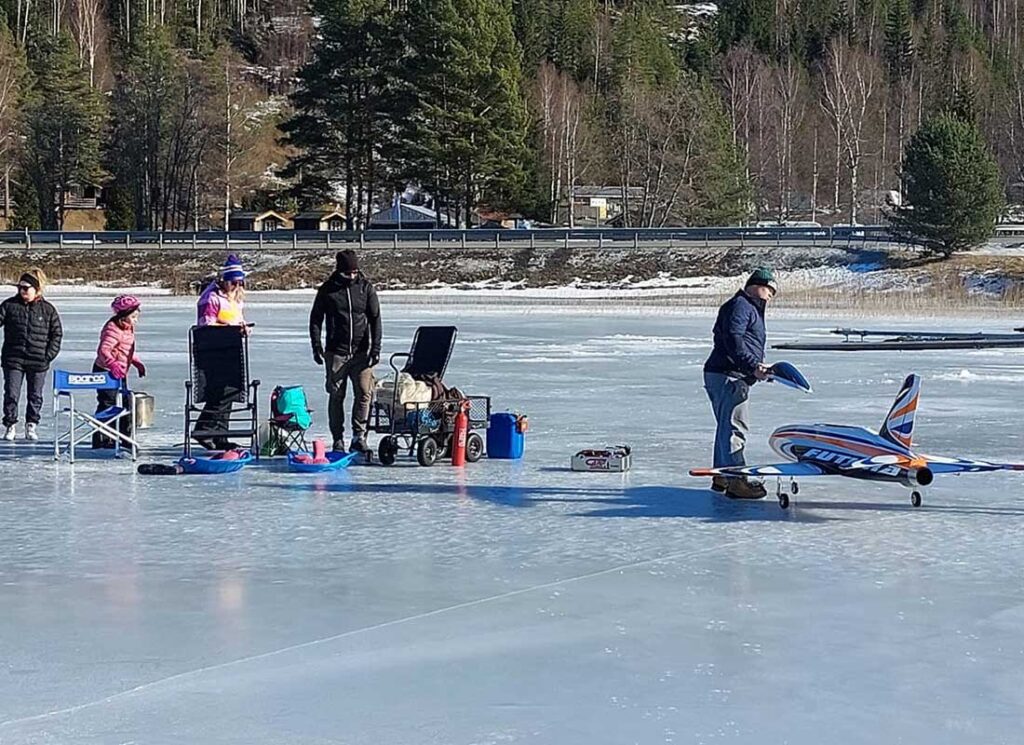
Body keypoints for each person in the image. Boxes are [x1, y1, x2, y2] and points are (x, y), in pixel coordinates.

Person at [703, 267, 778, 499]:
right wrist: (752, 366)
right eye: (770, 290)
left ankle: (723, 475)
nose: (771, 296)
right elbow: (734, 339)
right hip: (730, 374)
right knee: (735, 427)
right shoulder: (741, 306)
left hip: (727, 373)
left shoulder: (744, 306)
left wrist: (755, 368)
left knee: (726, 426)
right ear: (757, 286)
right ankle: (737, 481)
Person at [309, 249, 381, 454]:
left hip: (362, 353)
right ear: (339, 270)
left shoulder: (366, 288)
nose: (351, 276)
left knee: (364, 393)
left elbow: (375, 319)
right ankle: (338, 439)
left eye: (355, 272)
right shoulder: (328, 290)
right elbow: (316, 319)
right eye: (347, 273)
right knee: (336, 395)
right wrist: (316, 346)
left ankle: (359, 436)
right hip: (336, 353)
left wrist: (375, 348)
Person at [0, 269, 63, 442]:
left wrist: (48, 355)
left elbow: (56, 334)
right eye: (20, 287)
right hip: (14, 359)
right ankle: (11, 424)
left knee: (35, 395)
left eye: (26, 288)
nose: (22, 291)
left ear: (36, 289)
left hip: (38, 360)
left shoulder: (48, 310)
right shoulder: (9, 306)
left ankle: (31, 424)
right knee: (11, 393)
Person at [194, 254, 249, 450]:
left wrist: (242, 328)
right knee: (220, 392)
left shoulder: (235, 298)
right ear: (225, 280)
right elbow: (206, 324)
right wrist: (229, 326)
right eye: (233, 282)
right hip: (212, 349)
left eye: (239, 282)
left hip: (231, 348)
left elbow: (236, 319)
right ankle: (204, 429)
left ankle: (221, 435)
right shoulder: (211, 297)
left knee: (232, 391)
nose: (236, 285)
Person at [93, 295, 146, 448]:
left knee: (126, 403)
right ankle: (102, 438)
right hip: (105, 371)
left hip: (120, 371)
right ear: (123, 316)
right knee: (107, 404)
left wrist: (135, 361)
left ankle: (124, 437)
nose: (136, 320)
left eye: (137, 316)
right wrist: (113, 364)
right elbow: (104, 350)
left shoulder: (128, 328)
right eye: (133, 317)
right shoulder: (112, 329)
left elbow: (125, 349)